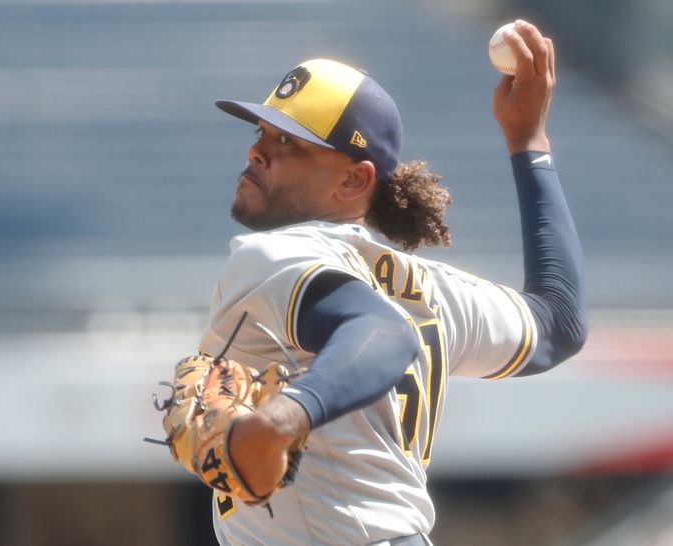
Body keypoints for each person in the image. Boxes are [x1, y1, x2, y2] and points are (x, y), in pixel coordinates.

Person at [196, 19, 586, 546]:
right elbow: (557, 322)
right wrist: (529, 141)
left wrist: (284, 419)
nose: (256, 151)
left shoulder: (272, 254)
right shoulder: (431, 290)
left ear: (354, 179)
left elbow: (383, 331)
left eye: (289, 142)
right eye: (261, 132)